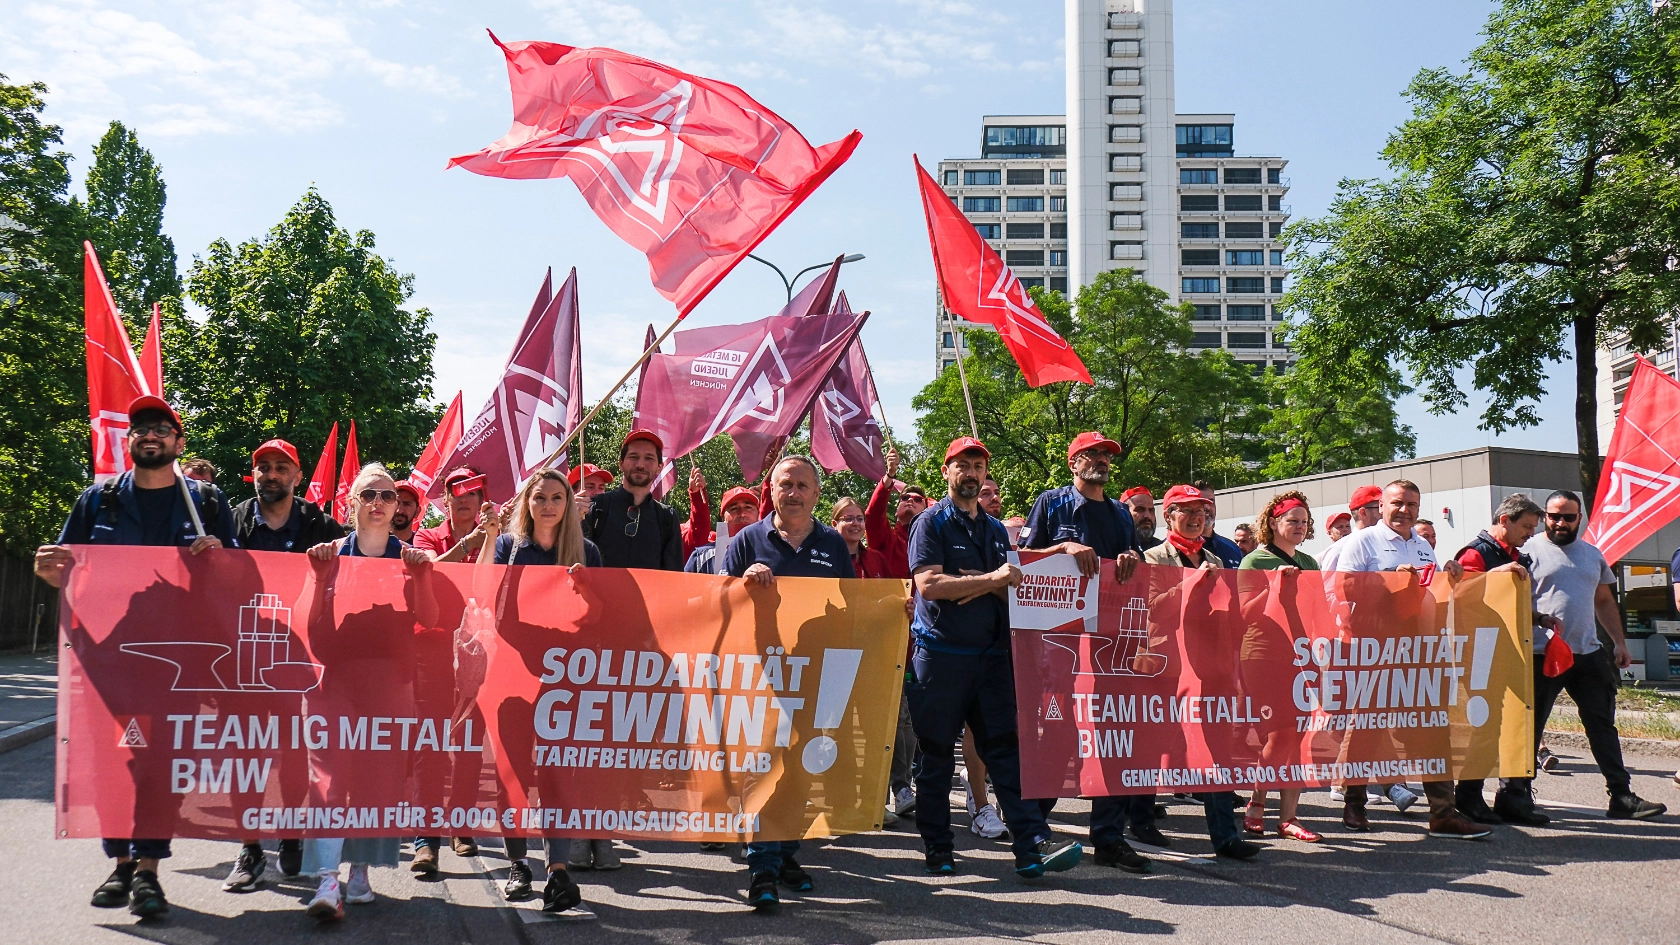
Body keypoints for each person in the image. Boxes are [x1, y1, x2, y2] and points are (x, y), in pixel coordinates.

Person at [34, 395, 233, 918]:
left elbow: (240, 581)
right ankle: (118, 863)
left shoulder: (207, 503)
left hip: (178, 661)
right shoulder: (97, 501)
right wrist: (47, 567)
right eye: (141, 427)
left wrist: (217, 563)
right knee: (110, 765)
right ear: (129, 441)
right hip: (106, 658)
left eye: (162, 428)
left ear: (178, 442)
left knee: (159, 766)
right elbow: (63, 570)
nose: (150, 435)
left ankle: (148, 872)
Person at [905, 436, 1083, 880]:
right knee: (935, 755)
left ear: (986, 474)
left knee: (1006, 754)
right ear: (946, 471)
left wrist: (980, 581)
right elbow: (929, 585)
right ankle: (939, 849)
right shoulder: (930, 524)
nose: (971, 473)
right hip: (941, 658)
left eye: (978, 466)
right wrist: (987, 580)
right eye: (962, 465)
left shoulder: (990, 527)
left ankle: (1028, 846)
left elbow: (1012, 582)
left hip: (991, 659)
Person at [720, 455, 857, 912]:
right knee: (764, 766)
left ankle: (785, 853)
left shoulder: (834, 545)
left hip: (815, 675)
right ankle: (761, 866)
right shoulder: (746, 540)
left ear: (817, 494)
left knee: (802, 768)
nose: (793, 492)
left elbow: (850, 605)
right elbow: (716, 603)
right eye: (785, 485)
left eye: (802, 485)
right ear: (771, 492)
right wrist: (743, 583)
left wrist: (890, 614)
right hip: (762, 674)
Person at [301, 463, 432, 920]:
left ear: (398, 506)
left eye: (388, 496)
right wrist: (318, 577)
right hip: (334, 680)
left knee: (378, 779)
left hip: (390, 683)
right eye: (369, 495)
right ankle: (325, 880)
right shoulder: (329, 553)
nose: (379, 503)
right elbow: (310, 628)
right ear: (352, 502)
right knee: (330, 776)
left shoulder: (410, 556)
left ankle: (360, 872)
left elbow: (430, 618)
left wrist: (421, 576)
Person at [1019, 432, 1150, 873]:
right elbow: (1023, 559)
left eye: (1107, 456)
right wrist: (1062, 547)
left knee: (1111, 736)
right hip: (1058, 646)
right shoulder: (1051, 504)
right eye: (1091, 455)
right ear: (1073, 462)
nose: (1101, 461)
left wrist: (1132, 556)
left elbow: (1129, 571)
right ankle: (1032, 827)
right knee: (1061, 735)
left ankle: (1109, 838)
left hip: (1108, 645)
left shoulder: (1118, 513)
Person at [1330, 480, 1485, 839]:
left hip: (1417, 650)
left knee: (1431, 727)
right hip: (1375, 650)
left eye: (1412, 505)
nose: (1405, 510)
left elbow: (1430, 594)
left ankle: (1443, 812)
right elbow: (1344, 588)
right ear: (1381, 506)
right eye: (1397, 503)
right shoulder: (1361, 542)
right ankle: (1354, 802)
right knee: (1366, 729)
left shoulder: (1422, 547)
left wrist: (1451, 579)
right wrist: (1388, 583)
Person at [225, 437, 344, 890]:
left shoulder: (324, 526)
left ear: (298, 477)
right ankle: (249, 849)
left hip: (302, 659)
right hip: (245, 656)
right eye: (264, 468)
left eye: (281, 468)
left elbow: (348, 584)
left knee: (296, 755)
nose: (271, 475)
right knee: (247, 754)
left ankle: (293, 835)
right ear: (254, 475)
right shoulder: (231, 521)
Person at [491, 468, 599, 911]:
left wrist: (587, 594)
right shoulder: (508, 547)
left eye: (558, 497)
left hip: (564, 681)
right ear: (527, 503)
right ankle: (518, 863)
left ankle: (558, 870)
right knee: (512, 773)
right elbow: (493, 608)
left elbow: (599, 622)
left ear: (569, 505)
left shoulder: (587, 552)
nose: (549, 505)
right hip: (513, 674)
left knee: (559, 774)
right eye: (540, 497)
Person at [575, 429, 683, 868]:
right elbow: (568, 561)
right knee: (587, 737)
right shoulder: (594, 509)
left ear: (658, 467)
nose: (640, 464)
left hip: (640, 643)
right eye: (634, 457)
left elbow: (673, 583)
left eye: (649, 458)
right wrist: (574, 518)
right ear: (622, 464)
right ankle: (577, 832)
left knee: (623, 741)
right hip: (588, 640)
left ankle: (605, 832)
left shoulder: (665, 518)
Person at [1522, 491, 1664, 820]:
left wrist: (1619, 642)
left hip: (1587, 653)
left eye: (1568, 517)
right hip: (1542, 653)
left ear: (1579, 519)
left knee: (1602, 726)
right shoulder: (1527, 552)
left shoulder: (1592, 554)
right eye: (1554, 516)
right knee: (1530, 728)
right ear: (1545, 516)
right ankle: (1518, 795)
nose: (1560, 522)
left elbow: (1602, 601)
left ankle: (1621, 796)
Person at [1141, 484, 1261, 860]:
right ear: (1169, 516)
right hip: (1167, 666)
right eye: (1186, 511)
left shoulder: (1216, 558)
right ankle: (1141, 821)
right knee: (1154, 745)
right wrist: (1191, 584)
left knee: (1218, 749)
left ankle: (1225, 836)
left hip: (1210, 667)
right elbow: (1152, 610)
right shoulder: (1152, 557)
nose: (1195, 518)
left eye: (1202, 512)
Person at [1237, 491, 1323, 844]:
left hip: (1301, 654)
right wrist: (1274, 585)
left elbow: (1316, 609)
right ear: (1274, 522)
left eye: (1304, 522)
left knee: (1300, 735)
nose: (1299, 527)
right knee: (1279, 733)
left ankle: (1288, 817)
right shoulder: (1254, 562)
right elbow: (1244, 613)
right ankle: (1257, 801)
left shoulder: (1309, 562)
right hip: (1262, 654)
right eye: (1292, 520)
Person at [866, 445, 929, 579]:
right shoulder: (886, 538)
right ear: (896, 511)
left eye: (918, 499)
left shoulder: (933, 542)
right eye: (905, 498)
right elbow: (873, 515)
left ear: (926, 511)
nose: (910, 500)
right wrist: (890, 475)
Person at [418, 466, 494, 566]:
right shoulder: (426, 536)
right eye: (456, 493)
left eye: (471, 493)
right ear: (445, 499)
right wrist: (468, 543)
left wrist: (498, 531)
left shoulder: (493, 536)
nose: (463, 500)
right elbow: (430, 569)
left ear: (481, 501)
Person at [684, 485, 762, 574]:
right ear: (723, 518)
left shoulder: (771, 550)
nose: (742, 514)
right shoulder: (701, 558)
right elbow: (685, 587)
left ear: (758, 514)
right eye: (734, 509)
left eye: (748, 507)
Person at [1319, 485, 1382, 573]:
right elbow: (1329, 585)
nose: (1384, 511)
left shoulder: (1389, 542)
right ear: (1363, 513)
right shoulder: (1338, 550)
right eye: (1380, 507)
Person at [1191, 480, 1245, 569]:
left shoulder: (1233, 549)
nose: (1207, 507)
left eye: (1211, 502)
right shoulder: (1176, 551)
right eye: (1202, 503)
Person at [392, 480, 422, 544]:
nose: (399, 511)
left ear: (417, 511)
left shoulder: (423, 545)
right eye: (395, 504)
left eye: (407, 504)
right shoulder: (369, 542)